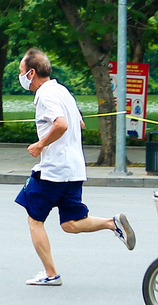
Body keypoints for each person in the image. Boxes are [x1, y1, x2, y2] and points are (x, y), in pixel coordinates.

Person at [14, 48, 135, 285]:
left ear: (31, 73)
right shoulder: (62, 91)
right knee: (70, 223)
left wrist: (40, 144)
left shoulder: (46, 96)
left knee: (34, 219)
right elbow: (79, 122)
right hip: (74, 170)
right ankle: (113, 223)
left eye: (21, 71)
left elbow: (62, 124)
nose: (20, 76)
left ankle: (51, 274)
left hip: (53, 170)